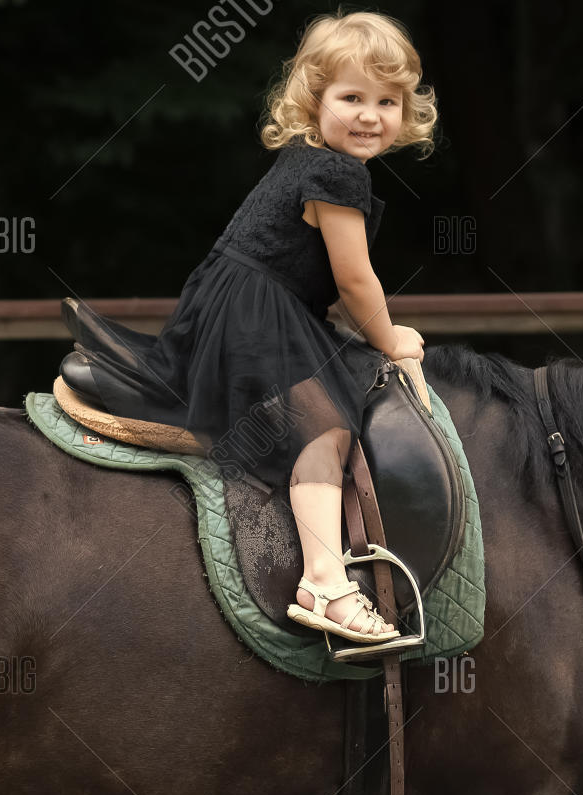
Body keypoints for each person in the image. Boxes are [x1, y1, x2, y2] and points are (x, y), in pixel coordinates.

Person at [67, 10, 437, 643]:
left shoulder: (316, 162)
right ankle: (324, 581)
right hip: (255, 310)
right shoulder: (334, 173)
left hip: (253, 301)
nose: (370, 115)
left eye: (388, 100)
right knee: (323, 427)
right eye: (351, 97)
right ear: (313, 100)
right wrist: (390, 337)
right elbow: (355, 281)